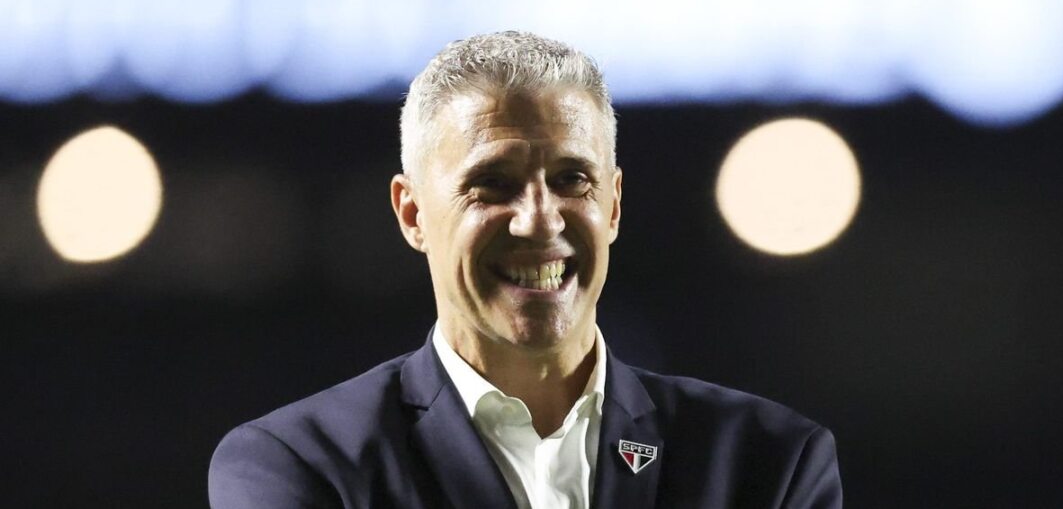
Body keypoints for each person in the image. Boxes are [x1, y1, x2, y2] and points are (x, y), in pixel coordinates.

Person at [208, 31, 842, 508]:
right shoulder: (296, 465)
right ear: (412, 213)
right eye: (493, 183)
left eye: (572, 179)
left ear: (613, 205)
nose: (539, 220)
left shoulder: (769, 461)